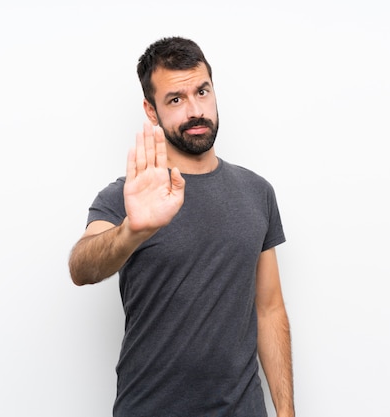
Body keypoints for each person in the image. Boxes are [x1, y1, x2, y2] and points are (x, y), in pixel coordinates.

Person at [69, 36, 295, 417]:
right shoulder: (126, 198)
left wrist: (286, 413)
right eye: (175, 99)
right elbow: (81, 268)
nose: (195, 110)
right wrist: (133, 231)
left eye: (202, 91)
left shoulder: (257, 192)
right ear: (151, 110)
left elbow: (270, 308)